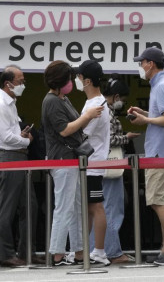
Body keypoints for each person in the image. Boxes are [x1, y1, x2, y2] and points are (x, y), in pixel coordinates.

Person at [41, 60, 103, 266]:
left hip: (71, 160)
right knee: (64, 206)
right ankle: (57, 253)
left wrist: (84, 118)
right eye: (68, 78)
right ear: (60, 80)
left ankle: (78, 250)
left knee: (76, 207)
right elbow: (65, 130)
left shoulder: (62, 98)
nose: (71, 82)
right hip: (62, 160)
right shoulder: (51, 102)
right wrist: (87, 116)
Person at [129, 47, 164, 265]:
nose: (141, 67)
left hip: (160, 152)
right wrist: (146, 114)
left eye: (141, 62)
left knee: (158, 202)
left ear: (150, 63)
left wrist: (146, 120)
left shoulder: (161, 86)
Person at [0, 65, 39, 267]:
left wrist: (22, 136)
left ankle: (27, 251)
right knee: (8, 207)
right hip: (9, 156)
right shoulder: (0, 104)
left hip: (19, 156)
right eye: (20, 81)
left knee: (30, 206)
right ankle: (7, 253)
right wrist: (26, 140)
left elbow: (13, 133)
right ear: (7, 83)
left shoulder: (11, 103)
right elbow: (5, 137)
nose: (23, 84)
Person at [89, 73, 140, 263]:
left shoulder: (99, 108)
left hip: (99, 164)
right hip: (110, 165)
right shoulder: (106, 112)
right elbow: (109, 139)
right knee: (111, 209)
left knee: (101, 208)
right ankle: (112, 251)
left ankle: (98, 248)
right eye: (123, 100)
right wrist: (127, 137)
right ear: (117, 97)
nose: (123, 104)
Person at [74, 60, 111, 266]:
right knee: (89, 207)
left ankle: (99, 251)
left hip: (93, 163)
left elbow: (81, 132)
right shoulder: (93, 103)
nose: (77, 81)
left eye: (79, 78)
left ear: (87, 80)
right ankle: (85, 248)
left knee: (96, 206)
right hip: (90, 164)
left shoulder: (96, 104)